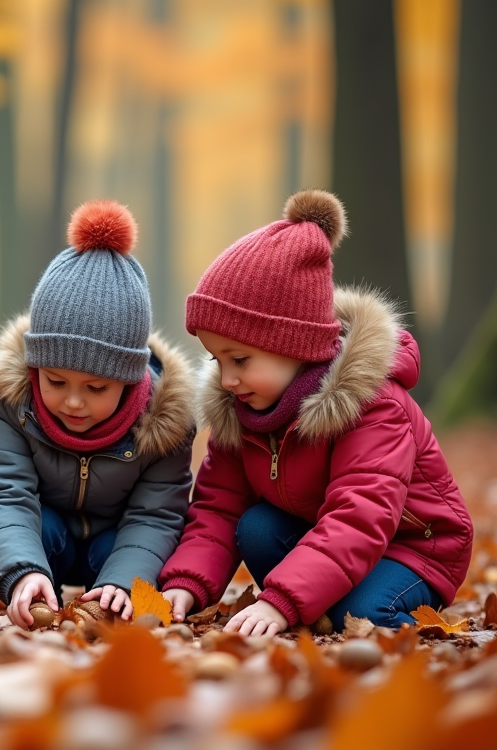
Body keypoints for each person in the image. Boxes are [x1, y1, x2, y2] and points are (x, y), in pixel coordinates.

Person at [160, 190, 473, 636]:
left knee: (364, 618)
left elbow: (359, 515)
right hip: (323, 537)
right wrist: (187, 583)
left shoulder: (373, 405)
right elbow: (217, 508)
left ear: (295, 347)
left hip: (412, 548)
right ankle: (319, 601)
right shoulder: (243, 407)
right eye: (217, 361)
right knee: (258, 528)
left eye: (241, 360)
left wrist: (281, 602)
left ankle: (342, 607)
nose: (227, 379)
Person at [0, 200, 195, 627]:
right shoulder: (12, 402)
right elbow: (3, 491)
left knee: (124, 551)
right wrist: (22, 571)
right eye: (55, 382)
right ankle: (39, 587)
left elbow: (156, 514)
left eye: (96, 388)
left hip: (113, 545)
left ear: (129, 382)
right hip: (44, 536)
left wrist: (125, 582)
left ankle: (106, 591)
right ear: (36, 367)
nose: (73, 402)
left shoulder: (164, 425)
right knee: (38, 525)